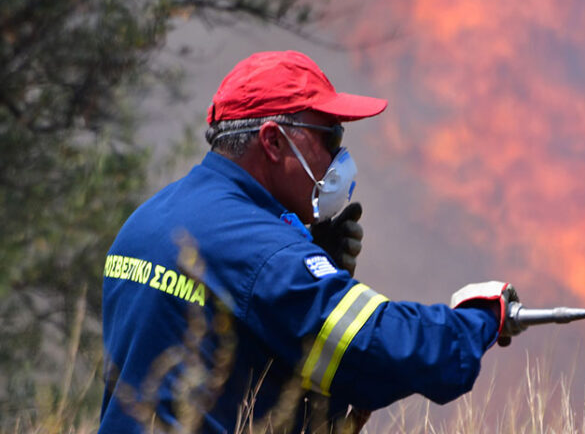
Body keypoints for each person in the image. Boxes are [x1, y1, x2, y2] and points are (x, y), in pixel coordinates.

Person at [100, 50, 523, 433]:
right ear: (272, 141)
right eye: (330, 137)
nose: (340, 158)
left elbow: (226, 359)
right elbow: (380, 350)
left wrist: (311, 255)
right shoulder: (263, 252)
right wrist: (481, 318)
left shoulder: (148, 219)